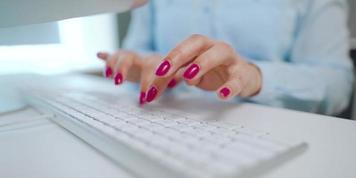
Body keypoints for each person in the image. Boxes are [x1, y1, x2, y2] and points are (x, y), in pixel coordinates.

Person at [97, 0, 354, 115]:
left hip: (265, 131)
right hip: (165, 120)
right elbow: (138, 50)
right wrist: (140, 66)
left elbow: (337, 82)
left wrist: (255, 77)